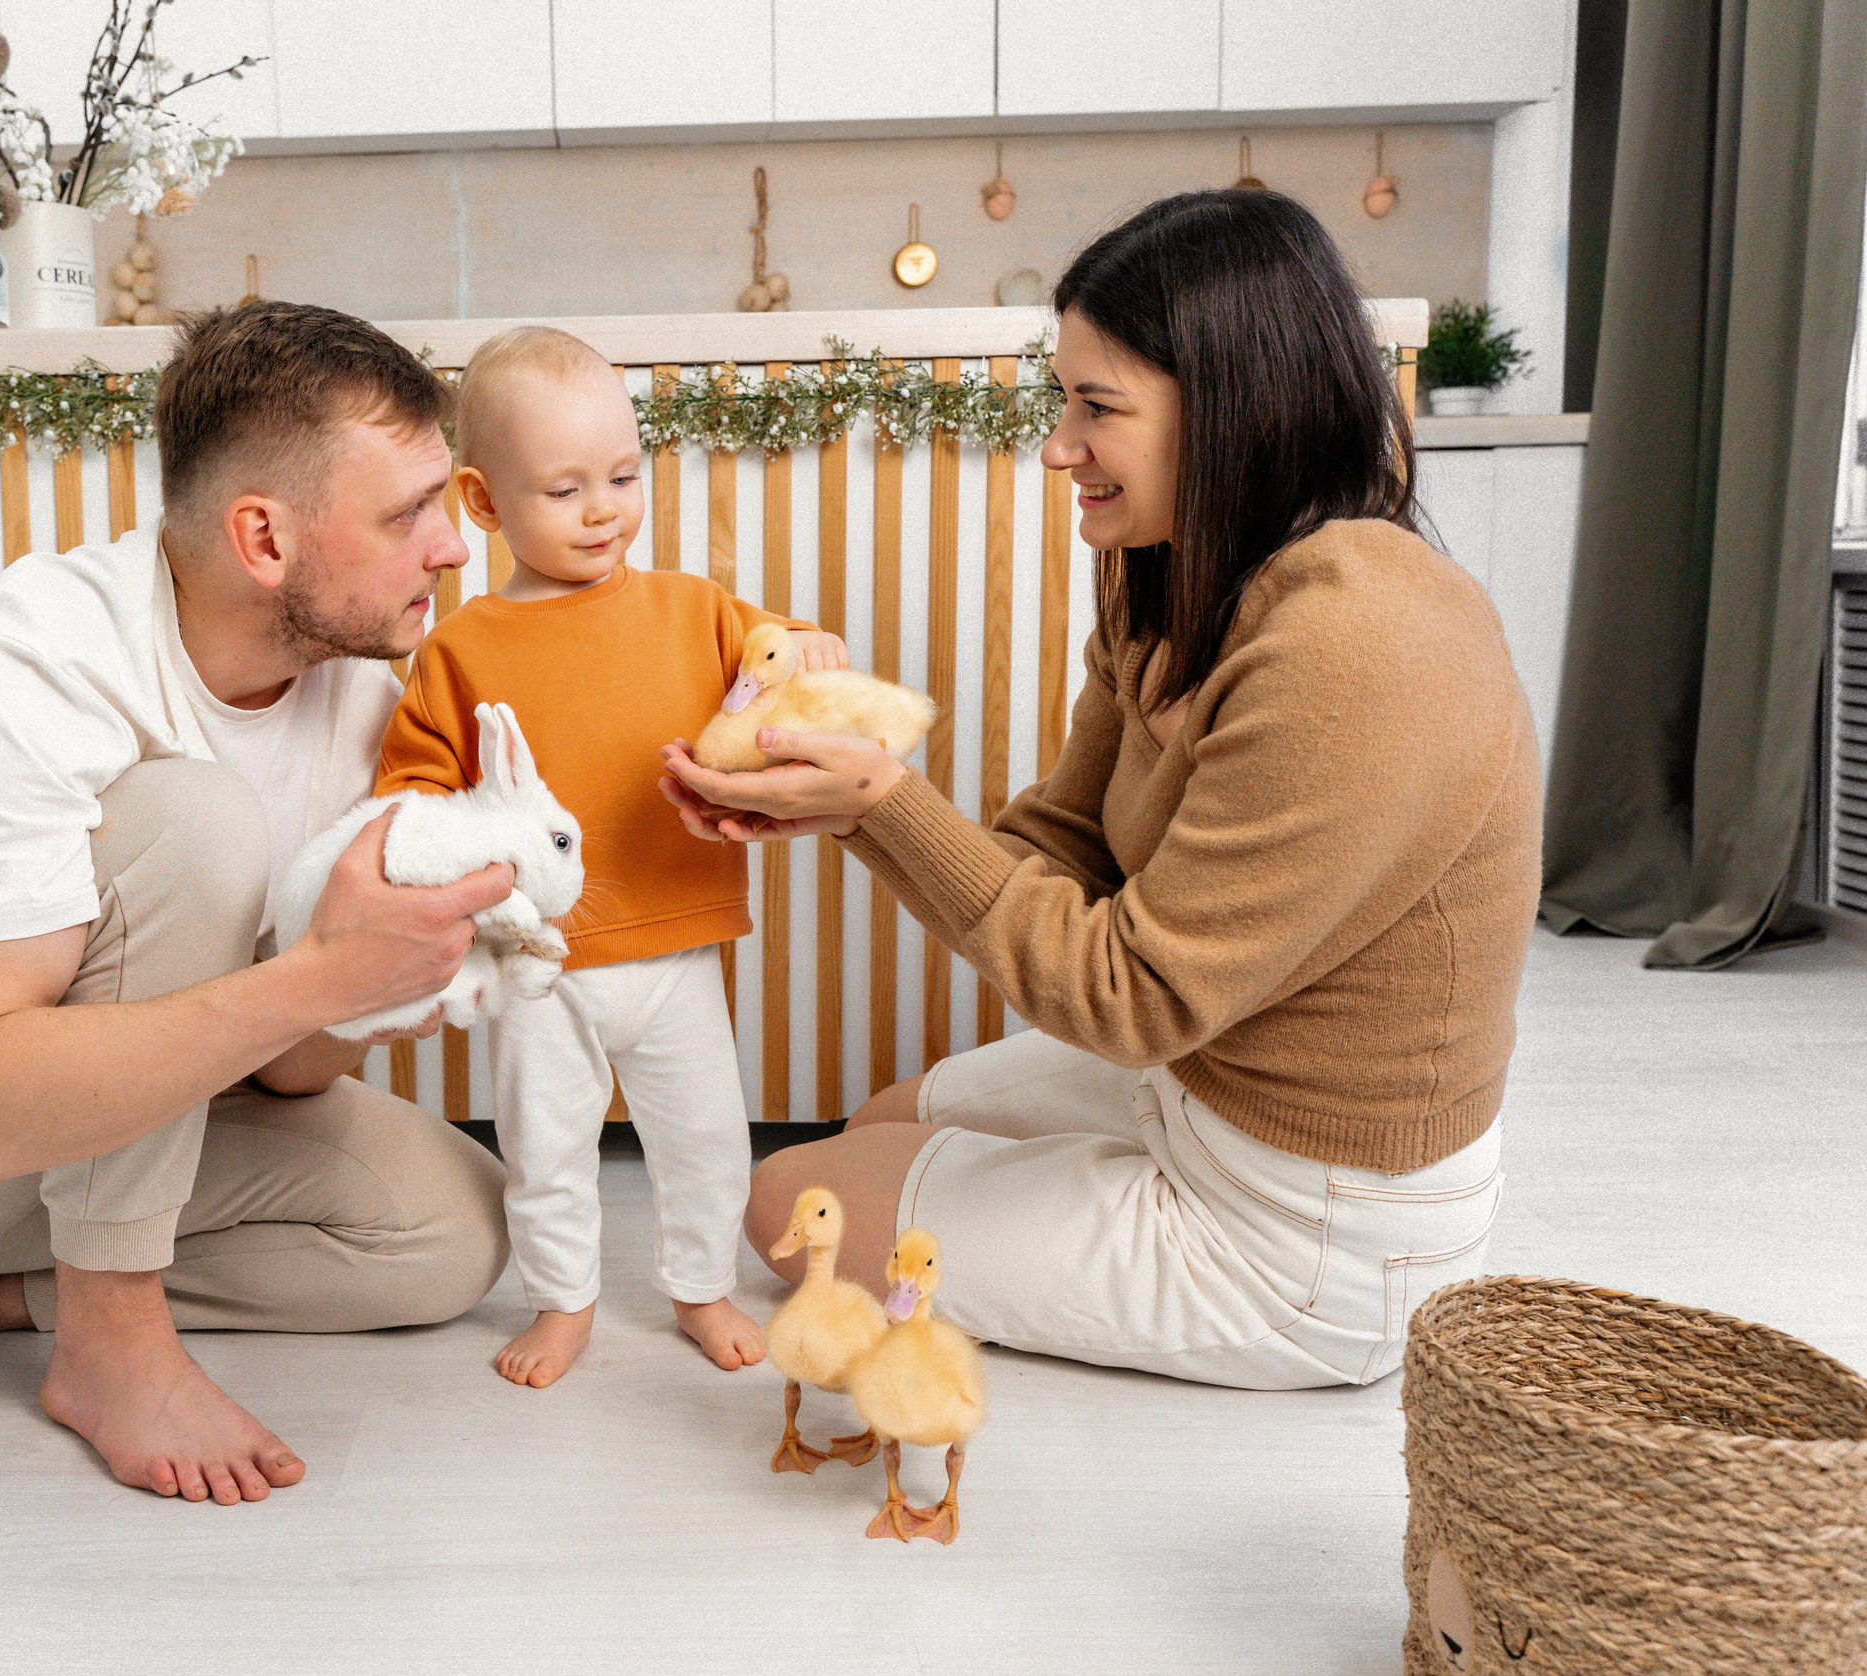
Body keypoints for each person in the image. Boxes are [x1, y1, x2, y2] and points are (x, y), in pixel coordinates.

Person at [661, 190, 1544, 1391]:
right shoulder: (1172, 570)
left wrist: (884, 809)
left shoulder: (1361, 644)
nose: (1057, 446)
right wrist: (831, 806)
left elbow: (1131, 996)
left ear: (1234, 408)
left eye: (1096, 408)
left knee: (785, 1200)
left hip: (1314, 1222)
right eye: (1061, 399)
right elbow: (1065, 839)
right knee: (880, 1123)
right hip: (1200, 1082)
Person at [0, 302, 517, 1505]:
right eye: (408, 514)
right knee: (190, 825)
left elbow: (286, 1075)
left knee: (445, 1231)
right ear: (263, 539)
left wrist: (384, 953)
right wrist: (321, 975)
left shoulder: (363, 697)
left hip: (29, 1144)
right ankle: (111, 1342)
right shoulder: (17, 676)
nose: (451, 547)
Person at [379, 327, 844, 1387]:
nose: (604, 509)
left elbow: (774, 652)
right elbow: (411, 788)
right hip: (537, 959)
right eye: (564, 489)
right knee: (544, 1152)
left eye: (624, 477)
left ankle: (698, 1286)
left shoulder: (692, 607)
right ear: (485, 504)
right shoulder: (462, 648)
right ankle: (563, 1304)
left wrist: (807, 642)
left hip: (674, 949)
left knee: (707, 1140)